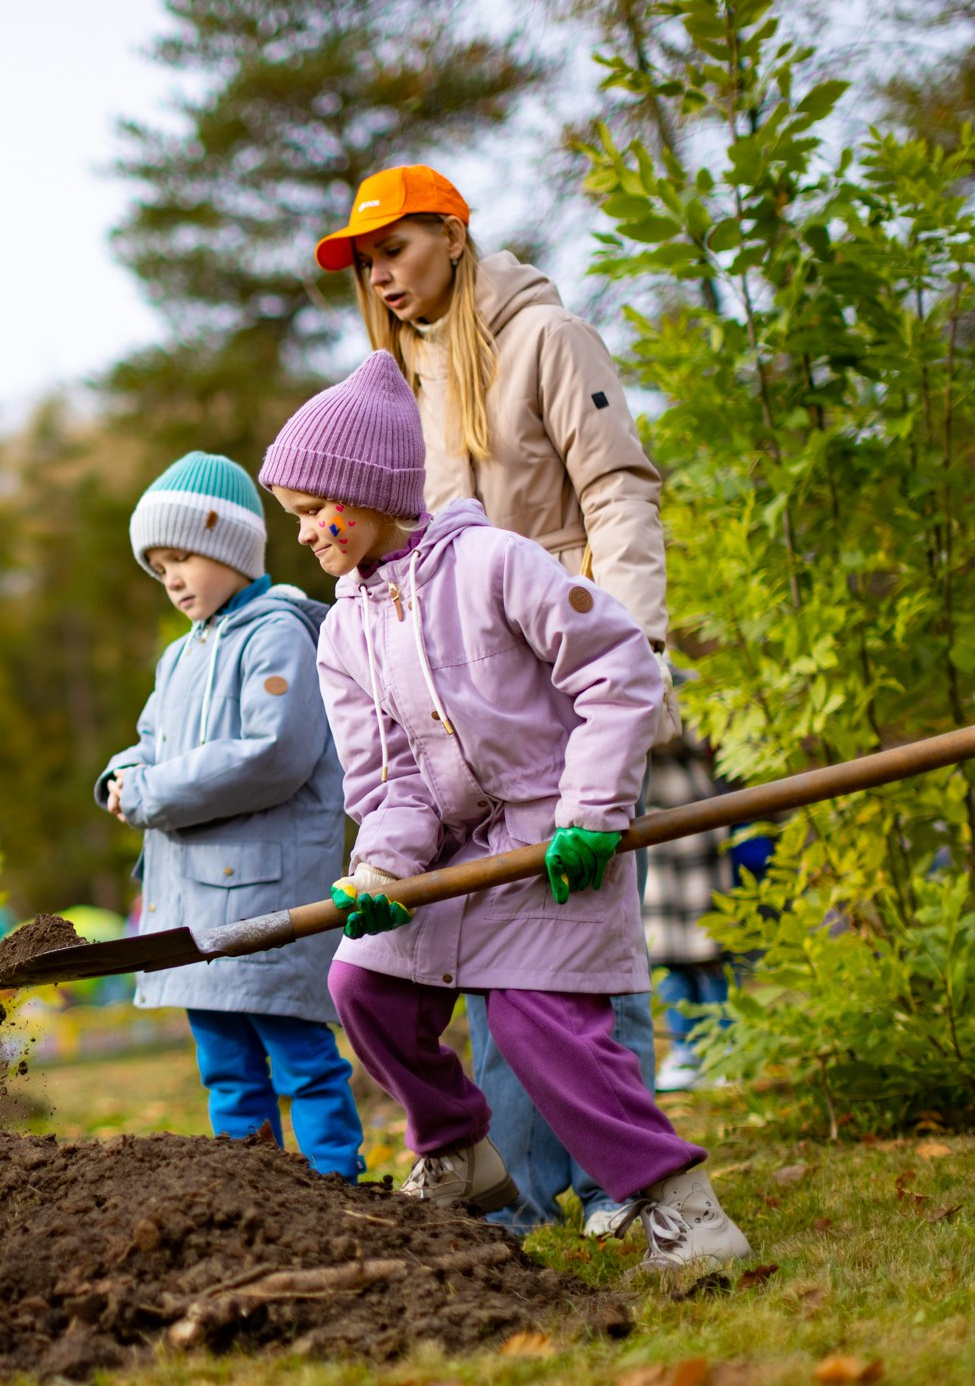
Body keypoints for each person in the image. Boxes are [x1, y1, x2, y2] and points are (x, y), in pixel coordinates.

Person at [261, 351, 750, 1276]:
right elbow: (392, 782)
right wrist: (381, 871)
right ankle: (457, 1152)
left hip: (550, 836)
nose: (304, 539)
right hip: (450, 851)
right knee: (361, 983)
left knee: (537, 1027)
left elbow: (621, 671)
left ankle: (685, 1214)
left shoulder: (491, 564)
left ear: (359, 496)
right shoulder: (342, 629)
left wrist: (591, 814)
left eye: (307, 515)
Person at [320, 163, 668, 1236]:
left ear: (455, 234)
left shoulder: (547, 340)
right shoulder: (395, 382)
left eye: (398, 250)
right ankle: (524, 1190)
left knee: (577, 944)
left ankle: (623, 1185)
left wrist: (633, 643)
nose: (383, 278)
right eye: (368, 264)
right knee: (483, 952)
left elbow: (616, 485)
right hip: (462, 696)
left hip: (566, 668)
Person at [94, 452, 364, 1177]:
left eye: (182, 557)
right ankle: (251, 1193)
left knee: (299, 1058)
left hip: (264, 899)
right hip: (192, 905)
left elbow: (269, 753)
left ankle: (336, 1182)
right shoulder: (178, 656)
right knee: (224, 1067)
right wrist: (121, 775)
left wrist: (148, 794)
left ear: (232, 548)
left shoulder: (278, 635)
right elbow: (150, 744)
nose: (172, 580)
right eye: (158, 568)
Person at [643, 730, 735, 1093]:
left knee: (709, 947)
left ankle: (727, 1049)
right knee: (664, 954)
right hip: (647, 825)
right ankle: (687, 1051)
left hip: (695, 819)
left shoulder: (685, 683)